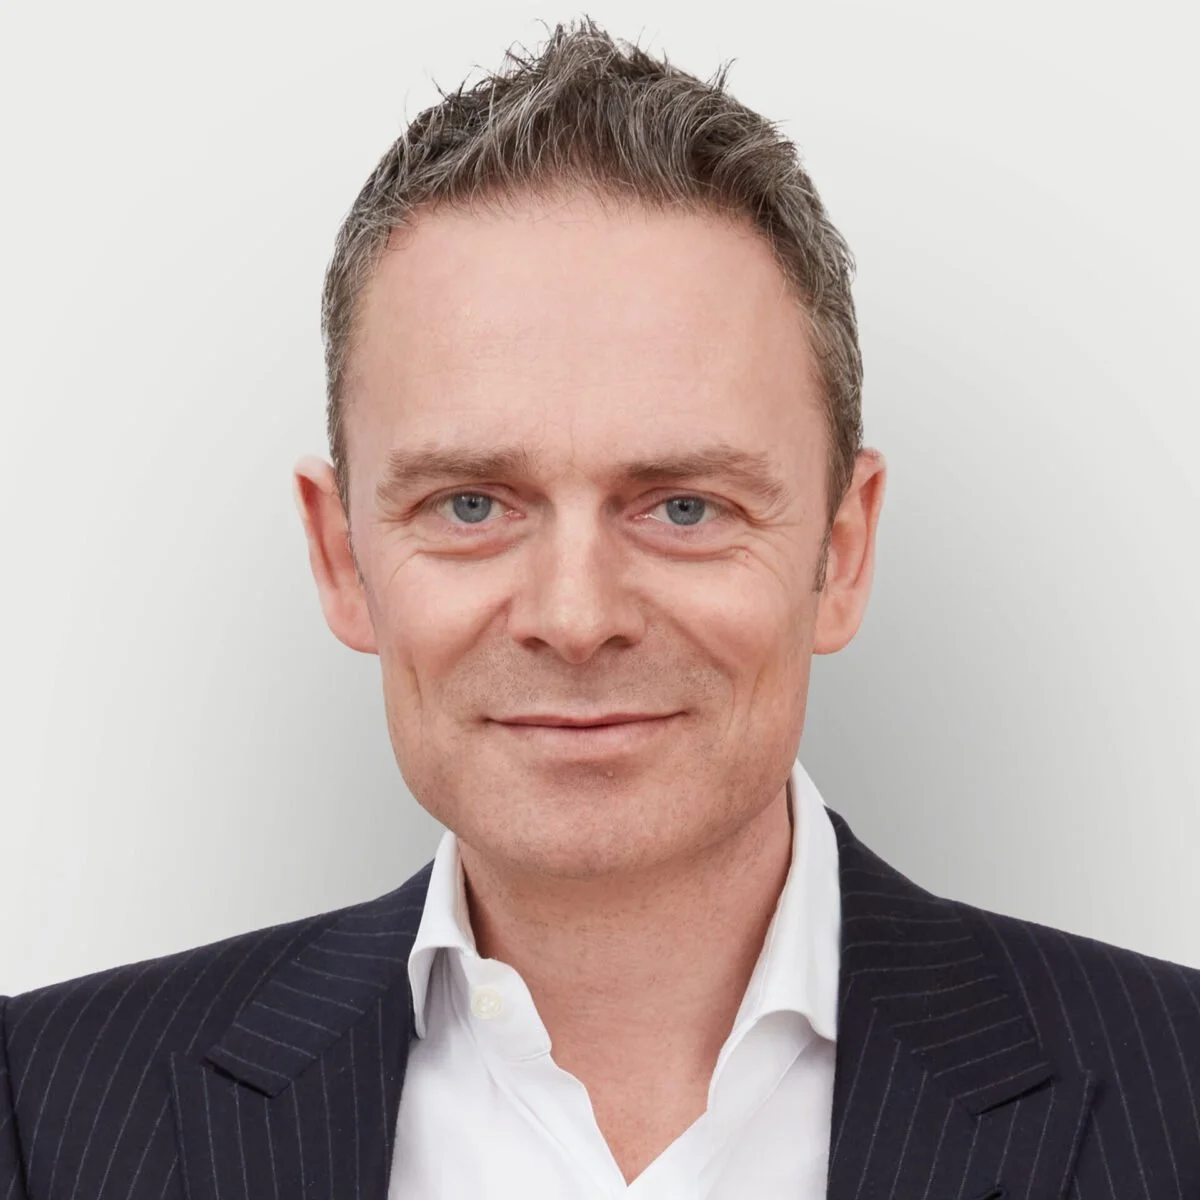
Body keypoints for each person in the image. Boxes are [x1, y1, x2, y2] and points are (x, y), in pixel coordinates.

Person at [2, 18, 1197, 1199]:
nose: (575, 619)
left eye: (682, 507)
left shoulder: (1177, 1089)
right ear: (341, 556)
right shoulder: (44, 1112)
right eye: (472, 504)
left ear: (841, 550)